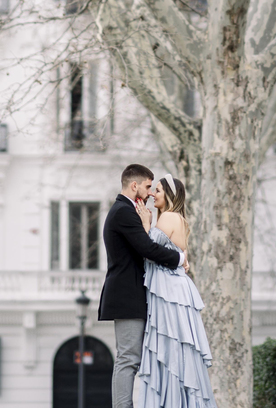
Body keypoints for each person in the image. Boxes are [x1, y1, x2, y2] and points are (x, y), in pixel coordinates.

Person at [99, 164, 185, 408]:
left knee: (132, 358)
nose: (150, 193)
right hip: (127, 297)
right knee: (128, 358)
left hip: (134, 296)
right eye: (148, 187)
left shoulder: (127, 210)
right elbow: (146, 248)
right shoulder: (124, 211)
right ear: (134, 185)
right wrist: (179, 258)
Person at [137, 174, 216, 408]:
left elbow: (148, 250)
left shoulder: (169, 217)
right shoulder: (175, 219)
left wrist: (145, 225)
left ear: (170, 195)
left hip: (170, 293)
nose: (153, 194)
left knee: (171, 348)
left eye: (158, 190)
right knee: (174, 348)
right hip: (171, 290)